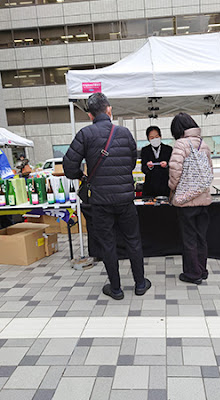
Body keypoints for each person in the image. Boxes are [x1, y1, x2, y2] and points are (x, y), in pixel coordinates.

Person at [63, 93, 151, 300]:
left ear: (89, 115)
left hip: (100, 201)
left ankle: (116, 289)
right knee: (133, 241)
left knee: (108, 243)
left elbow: (69, 167)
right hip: (125, 199)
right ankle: (140, 284)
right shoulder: (124, 133)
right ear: (109, 110)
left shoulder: (85, 134)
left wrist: (82, 176)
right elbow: (131, 163)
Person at [168, 112, 213, 285]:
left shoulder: (180, 144)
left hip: (186, 201)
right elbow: (210, 170)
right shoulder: (204, 144)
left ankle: (192, 274)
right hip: (203, 199)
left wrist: (172, 188)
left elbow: (175, 171)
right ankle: (202, 270)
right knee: (201, 237)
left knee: (189, 239)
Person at [141, 126, 172, 197]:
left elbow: (173, 167)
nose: (154, 139)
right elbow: (143, 169)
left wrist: (167, 165)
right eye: (152, 138)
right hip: (150, 187)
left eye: (157, 136)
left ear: (160, 137)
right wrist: (149, 167)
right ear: (148, 139)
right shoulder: (145, 150)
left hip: (165, 185)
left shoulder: (168, 149)